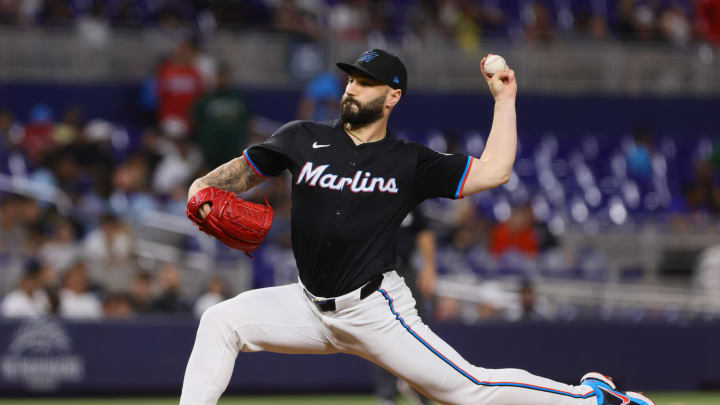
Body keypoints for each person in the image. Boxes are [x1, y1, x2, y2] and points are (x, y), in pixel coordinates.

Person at [180, 49, 653, 405]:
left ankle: (591, 398)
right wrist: (203, 184)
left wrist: (505, 99)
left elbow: (494, 171)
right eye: (351, 79)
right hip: (306, 304)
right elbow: (247, 169)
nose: (351, 88)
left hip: (373, 309)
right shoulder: (301, 137)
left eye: (365, 82)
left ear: (392, 96)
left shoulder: (409, 161)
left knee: (469, 390)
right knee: (220, 321)